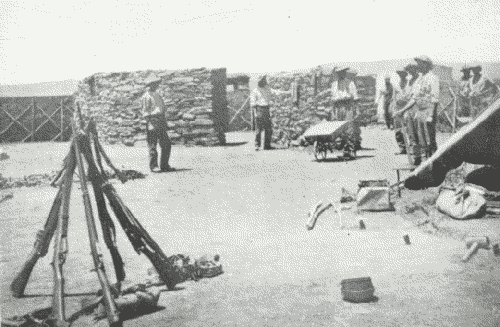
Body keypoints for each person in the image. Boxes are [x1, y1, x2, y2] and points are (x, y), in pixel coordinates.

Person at [394, 56, 440, 164]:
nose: (418, 66)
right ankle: (422, 162)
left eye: (420, 63)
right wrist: (402, 111)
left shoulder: (433, 78)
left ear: (426, 64)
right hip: (419, 112)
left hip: (428, 111)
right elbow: (414, 98)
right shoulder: (419, 79)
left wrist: (431, 116)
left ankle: (434, 162)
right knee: (419, 138)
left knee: (429, 140)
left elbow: (434, 99)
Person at [141, 77, 175, 172]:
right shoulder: (146, 96)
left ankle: (165, 165)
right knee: (152, 145)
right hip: (152, 121)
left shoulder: (157, 95)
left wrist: (164, 121)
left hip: (160, 120)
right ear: (150, 85)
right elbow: (145, 111)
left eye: (157, 83)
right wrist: (149, 123)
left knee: (166, 144)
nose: (157, 85)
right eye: (154, 84)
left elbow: (161, 109)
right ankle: (154, 166)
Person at [250, 75, 292, 151]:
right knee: (258, 129)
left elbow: (276, 92)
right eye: (262, 80)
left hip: (266, 109)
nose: (264, 81)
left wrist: (287, 92)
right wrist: (255, 113)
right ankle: (257, 145)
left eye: (264, 80)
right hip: (259, 109)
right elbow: (253, 104)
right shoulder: (255, 91)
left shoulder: (267, 89)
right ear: (259, 82)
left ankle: (267, 145)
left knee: (268, 128)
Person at [393, 70, 410, 154]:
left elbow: (410, 97)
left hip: (407, 108)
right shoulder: (396, 86)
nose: (401, 76)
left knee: (409, 129)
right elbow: (394, 98)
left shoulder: (409, 84)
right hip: (398, 108)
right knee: (398, 130)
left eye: (403, 75)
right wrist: (393, 110)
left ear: (406, 75)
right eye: (400, 75)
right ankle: (402, 148)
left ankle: (411, 148)